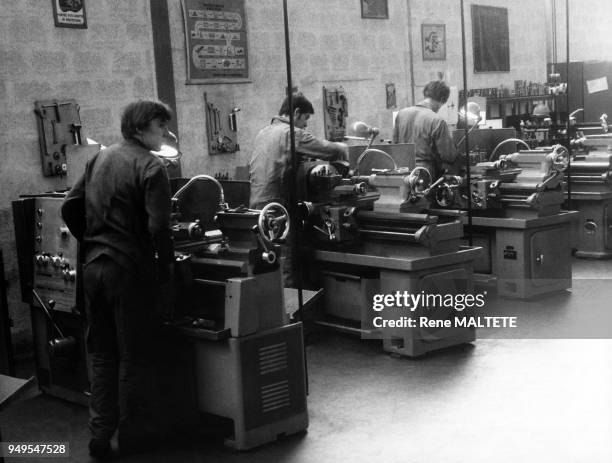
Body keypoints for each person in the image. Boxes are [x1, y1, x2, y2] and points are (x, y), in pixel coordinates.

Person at [61, 99, 174, 459]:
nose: (164, 134)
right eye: (160, 128)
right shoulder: (152, 166)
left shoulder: (99, 158)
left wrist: (91, 240)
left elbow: (69, 204)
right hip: (129, 272)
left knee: (102, 353)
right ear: (141, 129)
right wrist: (167, 273)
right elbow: (159, 228)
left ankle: (99, 435)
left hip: (94, 268)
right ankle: (133, 436)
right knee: (133, 355)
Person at [249, 93, 348, 286]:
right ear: (296, 113)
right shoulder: (290, 133)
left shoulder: (263, 132)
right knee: (283, 262)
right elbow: (326, 149)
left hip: (256, 206)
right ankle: (288, 313)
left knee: (265, 260)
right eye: (305, 119)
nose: (305, 125)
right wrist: (341, 147)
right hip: (277, 208)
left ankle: (270, 310)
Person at [393, 80, 459, 179]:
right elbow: (448, 156)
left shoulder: (401, 114)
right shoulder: (437, 121)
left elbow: (395, 146)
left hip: (403, 174)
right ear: (442, 99)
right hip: (426, 174)